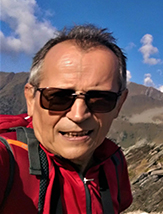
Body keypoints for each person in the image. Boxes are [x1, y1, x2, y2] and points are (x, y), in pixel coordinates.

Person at [0, 25, 132, 213]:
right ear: (31, 99)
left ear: (119, 104)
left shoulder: (113, 162)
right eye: (58, 98)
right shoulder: (8, 158)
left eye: (100, 100)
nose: (78, 115)